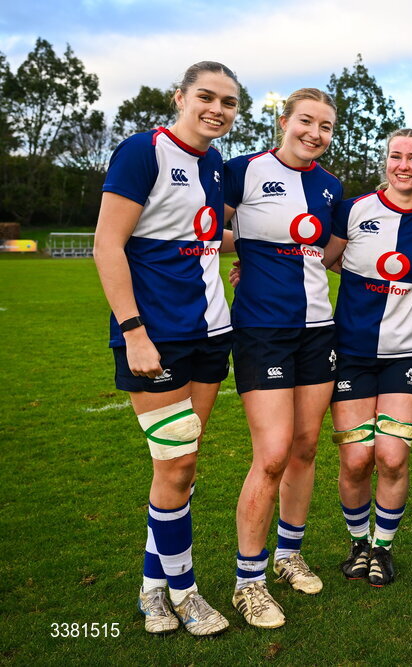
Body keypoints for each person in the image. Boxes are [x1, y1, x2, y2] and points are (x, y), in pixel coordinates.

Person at [94, 61, 240, 636]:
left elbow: (205, 233)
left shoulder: (216, 166)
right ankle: (185, 592)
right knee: (176, 463)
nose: (218, 109)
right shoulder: (142, 151)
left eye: (229, 102)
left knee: (180, 466)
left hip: (210, 334)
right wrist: (133, 332)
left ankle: (152, 590)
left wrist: (255, 250)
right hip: (155, 338)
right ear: (180, 97)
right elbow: (108, 243)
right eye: (207, 96)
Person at [223, 88, 345, 629]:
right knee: (271, 454)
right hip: (263, 332)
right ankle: (247, 582)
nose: (314, 134)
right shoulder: (241, 170)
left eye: (325, 127)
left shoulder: (330, 186)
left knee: (305, 446)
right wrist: (243, 252)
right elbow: (206, 230)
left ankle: (288, 554)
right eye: (306, 122)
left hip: (319, 330)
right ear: (284, 120)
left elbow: (331, 253)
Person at [332, 129, 412, 589]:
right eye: (396, 156)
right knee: (357, 459)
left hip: (407, 353)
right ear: (386, 162)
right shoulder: (355, 209)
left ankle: (383, 548)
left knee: (392, 456)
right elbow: (318, 258)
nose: (404, 165)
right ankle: (358, 543)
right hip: (351, 351)